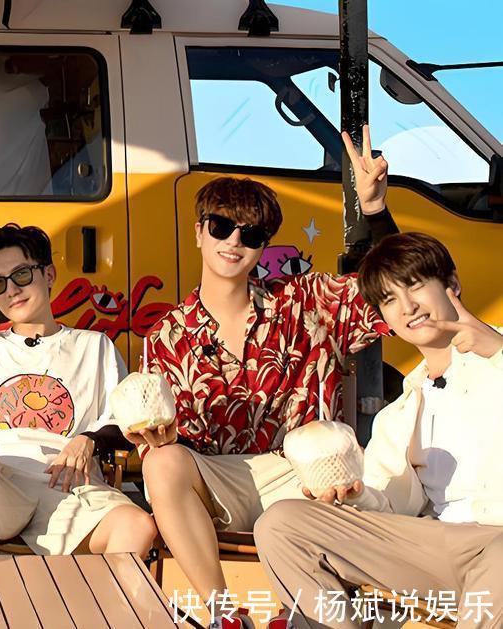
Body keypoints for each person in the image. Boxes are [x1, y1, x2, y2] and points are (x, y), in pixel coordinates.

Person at [128, 127, 397, 623]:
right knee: (161, 464)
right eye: (221, 227)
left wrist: (375, 210)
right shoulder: (166, 334)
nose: (234, 242)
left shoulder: (307, 302)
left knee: (327, 456)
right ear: (198, 232)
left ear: (263, 246)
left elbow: (396, 287)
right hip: (218, 479)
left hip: (302, 474)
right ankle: (223, 613)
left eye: (250, 235)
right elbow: (161, 441)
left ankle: (295, 612)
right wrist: (156, 439)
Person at [255, 233, 503, 629]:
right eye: (389, 299)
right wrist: (356, 496)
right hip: (441, 550)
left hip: (499, 543)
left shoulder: (497, 352)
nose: (407, 307)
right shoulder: (399, 414)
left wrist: (497, 350)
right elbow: (390, 508)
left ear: (452, 283)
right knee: (281, 523)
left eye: (415, 285)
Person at [0, 223, 155, 555]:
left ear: (49, 275)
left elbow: (123, 421)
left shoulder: (94, 347)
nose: (12, 290)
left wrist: (89, 440)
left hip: (70, 486)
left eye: (21, 275)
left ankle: (87, 593)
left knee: (138, 526)